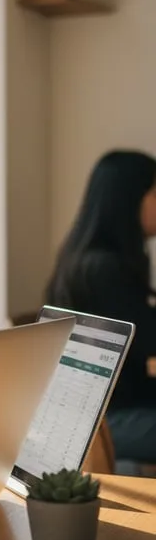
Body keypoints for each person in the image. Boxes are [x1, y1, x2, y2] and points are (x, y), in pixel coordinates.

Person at [45, 150, 156, 467]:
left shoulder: (91, 259)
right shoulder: (102, 269)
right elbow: (147, 340)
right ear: (130, 198)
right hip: (103, 423)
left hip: (110, 408)